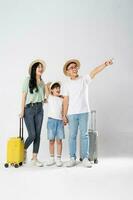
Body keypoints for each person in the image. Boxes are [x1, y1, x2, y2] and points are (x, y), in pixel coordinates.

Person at [62, 58, 113, 167]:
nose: (74, 69)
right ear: (67, 71)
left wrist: (105, 64)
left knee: (84, 135)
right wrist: (64, 115)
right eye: (71, 67)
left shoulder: (84, 79)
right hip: (71, 113)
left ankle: (85, 158)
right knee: (72, 136)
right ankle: (72, 158)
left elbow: (94, 71)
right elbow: (66, 100)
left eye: (75, 67)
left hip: (84, 112)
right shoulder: (66, 84)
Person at [19, 59, 47, 167]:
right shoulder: (27, 80)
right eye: (38, 67)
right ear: (34, 69)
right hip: (29, 110)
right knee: (32, 135)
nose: (40, 68)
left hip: (40, 109)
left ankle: (34, 158)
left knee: (38, 135)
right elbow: (23, 96)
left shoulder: (43, 82)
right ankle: (23, 150)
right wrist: (22, 111)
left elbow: (43, 98)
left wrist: (46, 99)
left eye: (41, 67)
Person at [45, 82, 65, 167]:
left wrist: (64, 118)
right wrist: (47, 85)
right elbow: (46, 88)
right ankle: (52, 158)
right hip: (51, 121)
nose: (58, 89)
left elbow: (64, 110)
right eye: (56, 88)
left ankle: (59, 159)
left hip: (60, 121)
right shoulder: (50, 97)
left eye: (59, 88)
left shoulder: (62, 99)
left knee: (59, 140)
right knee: (51, 140)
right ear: (52, 90)